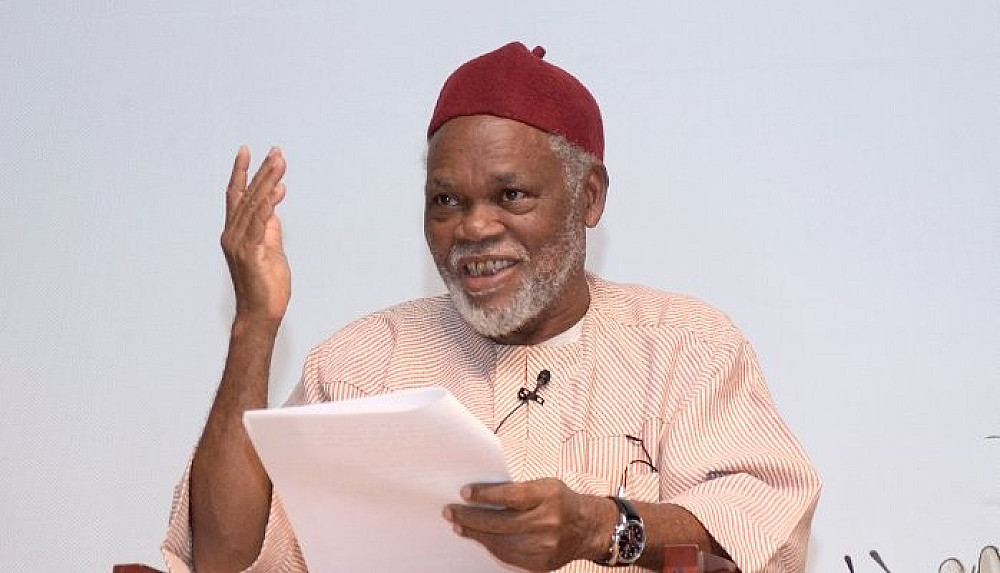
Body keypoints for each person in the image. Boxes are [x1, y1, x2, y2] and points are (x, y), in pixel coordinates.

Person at [162, 42, 821, 573]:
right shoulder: (358, 364)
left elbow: (759, 529)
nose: (473, 228)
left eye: (510, 196)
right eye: (446, 200)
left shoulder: (684, 347)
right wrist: (255, 322)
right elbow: (222, 559)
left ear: (589, 196)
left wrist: (598, 526)